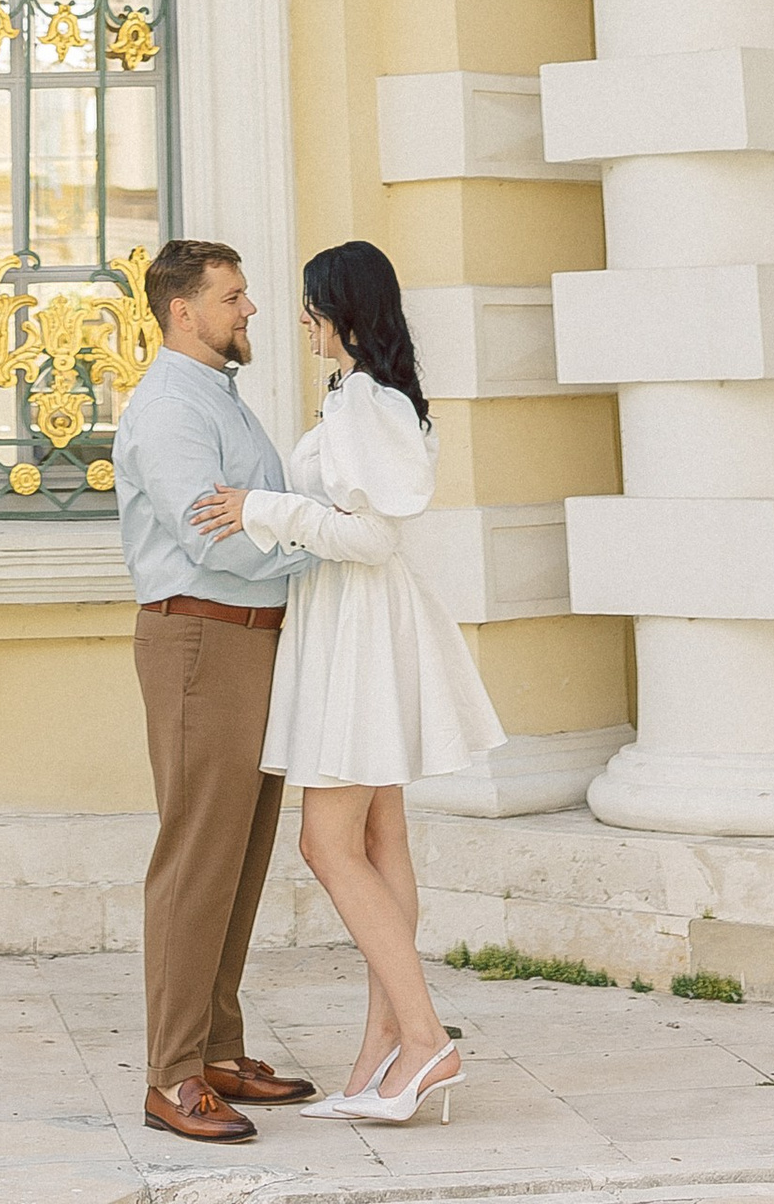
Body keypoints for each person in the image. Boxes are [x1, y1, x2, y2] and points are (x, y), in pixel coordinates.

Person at [193, 236, 499, 1128]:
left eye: (309, 304)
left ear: (342, 311)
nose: (296, 320)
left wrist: (262, 509)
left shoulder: (366, 400)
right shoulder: (365, 397)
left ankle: (427, 1039)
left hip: (361, 629)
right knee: (377, 839)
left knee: (327, 845)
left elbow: (372, 536)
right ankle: (384, 1053)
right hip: (355, 625)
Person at [109, 236, 320, 1146]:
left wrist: (296, 531)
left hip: (252, 644)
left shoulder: (218, 398)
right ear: (182, 311)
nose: (251, 311)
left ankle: (216, 1049)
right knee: (197, 859)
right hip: (201, 641)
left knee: (241, 856)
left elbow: (251, 520)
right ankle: (171, 1076)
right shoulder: (166, 408)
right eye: (234, 297)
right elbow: (211, 535)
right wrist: (324, 538)